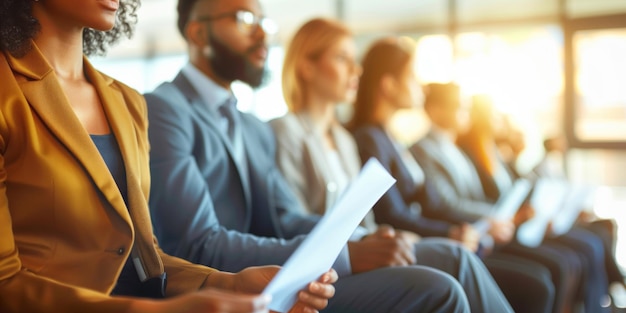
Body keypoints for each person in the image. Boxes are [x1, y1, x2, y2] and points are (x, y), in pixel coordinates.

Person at [144, 0, 487, 312]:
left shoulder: (253, 127)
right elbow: (197, 245)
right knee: (437, 288)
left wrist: (358, 239)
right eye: (245, 19)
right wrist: (346, 256)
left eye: (265, 21)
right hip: (236, 286)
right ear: (198, 32)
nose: (262, 32)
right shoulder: (163, 109)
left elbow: (286, 218)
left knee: (453, 257)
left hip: (284, 268)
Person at [0, 0, 337, 312]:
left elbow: (145, 258)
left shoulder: (127, 102)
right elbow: (5, 281)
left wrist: (227, 283)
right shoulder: (6, 93)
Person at [270, 19, 517, 312]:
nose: (355, 70)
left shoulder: (344, 139)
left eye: (355, 60)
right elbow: (289, 221)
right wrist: (369, 240)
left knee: (458, 258)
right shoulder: (284, 133)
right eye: (341, 58)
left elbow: (366, 216)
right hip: (327, 268)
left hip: (363, 247)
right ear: (306, 67)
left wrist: (383, 235)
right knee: (453, 270)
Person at [346, 36, 559, 313]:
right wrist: (449, 233)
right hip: (410, 245)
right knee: (535, 285)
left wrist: (463, 229)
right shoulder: (369, 139)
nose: (419, 86)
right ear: (389, 85)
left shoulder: (392, 138)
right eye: (412, 76)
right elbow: (391, 214)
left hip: (434, 237)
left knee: (540, 278)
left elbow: (431, 201)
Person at [411, 82, 613, 313]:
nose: (464, 112)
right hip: (475, 235)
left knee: (574, 256)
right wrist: (493, 217)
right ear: (436, 110)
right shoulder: (427, 149)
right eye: (459, 106)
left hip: (494, 228)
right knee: (550, 274)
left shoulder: (456, 149)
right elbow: (444, 203)